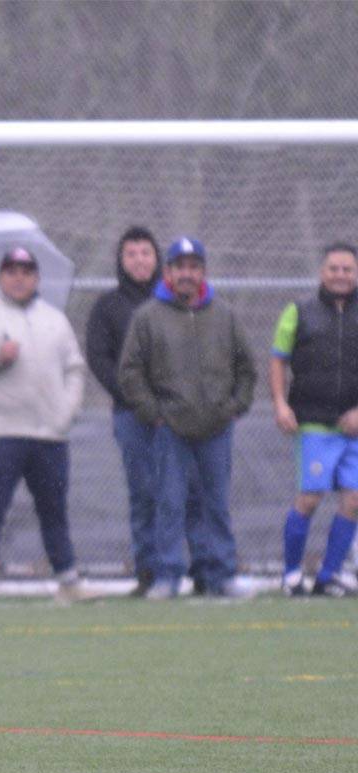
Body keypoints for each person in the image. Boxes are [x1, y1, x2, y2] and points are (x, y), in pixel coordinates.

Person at [0, 247, 92, 606]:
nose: (19, 277)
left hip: (49, 434)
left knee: (53, 508)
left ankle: (68, 581)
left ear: (37, 277)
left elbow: (74, 369)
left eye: (26, 270)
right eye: (11, 271)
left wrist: (66, 411)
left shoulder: (55, 320)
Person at [118, 237, 257, 599]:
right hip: (170, 430)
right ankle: (167, 576)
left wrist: (234, 407)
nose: (186, 274)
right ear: (168, 272)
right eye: (180, 267)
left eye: (194, 267)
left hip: (216, 428)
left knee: (216, 505)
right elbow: (130, 372)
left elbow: (247, 367)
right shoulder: (148, 317)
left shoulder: (224, 315)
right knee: (169, 503)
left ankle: (220, 574)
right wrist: (155, 414)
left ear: (203, 272)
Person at [85, 226, 206, 596]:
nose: (140, 261)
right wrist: (138, 399)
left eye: (146, 253)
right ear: (121, 261)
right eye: (131, 254)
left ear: (159, 260)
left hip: (181, 415)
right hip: (133, 417)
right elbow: (100, 359)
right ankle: (150, 572)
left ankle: (202, 569)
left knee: (192, 491)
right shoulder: (107, 307)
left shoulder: (179, 303)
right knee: (145, 494)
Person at [269, 242, 358, 597]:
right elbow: (278, 359)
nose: (340, 275)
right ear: (322, 272)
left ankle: (329, 576)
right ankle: (291, 575)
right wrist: (279, 403)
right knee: (310, 497)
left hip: (353, 428)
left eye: (347, 269)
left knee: (353, 499)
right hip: (313, 424)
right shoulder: (298, 311)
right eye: (334, 269)